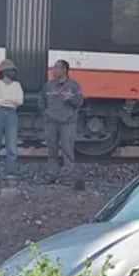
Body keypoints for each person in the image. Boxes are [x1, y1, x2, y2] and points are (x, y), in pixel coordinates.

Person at [39, 60, 84, 188]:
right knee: (52, 151)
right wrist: (45, 114)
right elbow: (41, 101)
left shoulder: (74, 85)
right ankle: (52, 176)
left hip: (67, 123)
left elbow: (80, 102)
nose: (54, 71)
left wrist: (71, 98)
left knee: (68, 151)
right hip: (51, 123)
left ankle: (68, 177)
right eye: (54, 68)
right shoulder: (48, 85)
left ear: (64, 70)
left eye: (57, 68)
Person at [0, 59, 24, 184]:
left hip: (9, 114)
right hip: (0, 113)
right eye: (10, 70)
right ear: (3, 72)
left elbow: (20, 101)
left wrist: (4, 100)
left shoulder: (17, 85)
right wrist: (10, 101)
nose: (12, 72)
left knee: (12, 146)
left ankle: (10, 174)